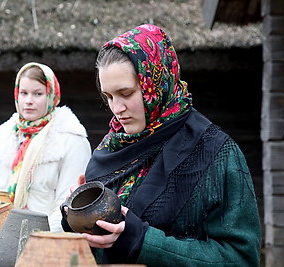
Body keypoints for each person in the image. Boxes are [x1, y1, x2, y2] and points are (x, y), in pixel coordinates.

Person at [62, 24, 261, 266]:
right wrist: (78, 218)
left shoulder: (215, 153)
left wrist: (144, 242)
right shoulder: (111, 147)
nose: (117, 109)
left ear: (155, 84)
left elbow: (240, 258)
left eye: (126, 93)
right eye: (109, 97)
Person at [0, 62, 91, 266]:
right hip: (8, 248)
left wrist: (29, 245)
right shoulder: (6, 136)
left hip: (51, 248)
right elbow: (1, 203)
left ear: (52, 95)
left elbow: (67, 207)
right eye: (23, 93)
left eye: (38, 94)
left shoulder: (71, 140)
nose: (28, 101)